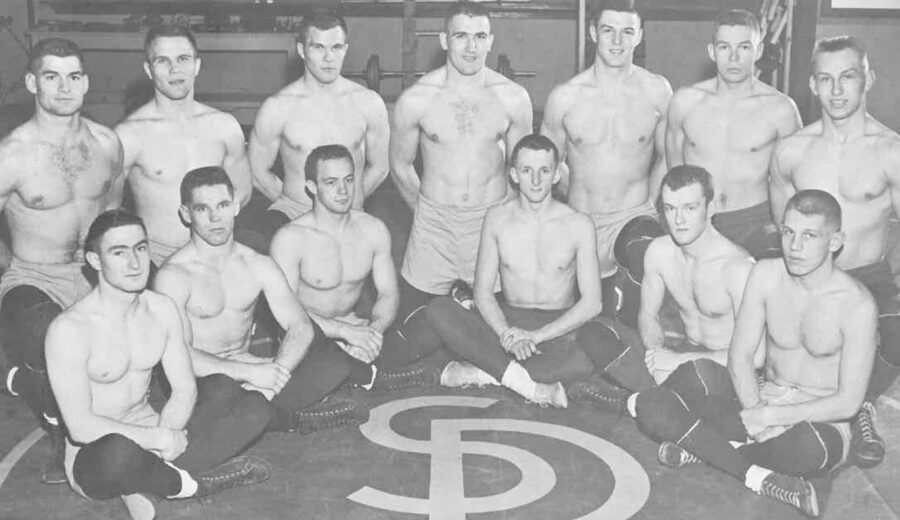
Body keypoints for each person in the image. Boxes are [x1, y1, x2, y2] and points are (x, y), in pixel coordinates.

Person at [630, 190, 876, 518]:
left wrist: (774, 418)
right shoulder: (766, 274)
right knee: (653, 405)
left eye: (810, 235)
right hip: (759, 404)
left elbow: (848, 402)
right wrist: (756, 414)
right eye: (788, 232)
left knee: (809, 449)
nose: (796, 246)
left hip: (817, 421)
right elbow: (740, 356)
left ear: (835, 241)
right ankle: (754, 470)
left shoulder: (857, 305)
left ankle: (705, 450)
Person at [46, 210, 272, 520]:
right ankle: (188, 485)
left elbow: (183, 389)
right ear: (95, 261)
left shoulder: (160, 308)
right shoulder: (69, 329)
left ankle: (151, 481)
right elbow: (81, 426)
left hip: (155, 427)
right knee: (118, 453)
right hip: (97, 453)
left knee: (251, 405)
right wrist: (157, 440)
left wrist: (168, 432)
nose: (135, 263)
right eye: (119, 252)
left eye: (140, 248)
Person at [427, 134, 634, 407]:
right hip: (508, 323)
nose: (535, 180)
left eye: (544, 171)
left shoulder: (579, 224)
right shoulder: (497, 219)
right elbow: (482, 292)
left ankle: (484, 371)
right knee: (439, 309)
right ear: (514, 174)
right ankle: (530, 387)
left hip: (559, 329)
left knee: (589, 357)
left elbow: (593, 303)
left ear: (557, 175)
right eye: (527, 171)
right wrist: (505, 334)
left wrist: (537, 335)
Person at [769, 35, 900, 469]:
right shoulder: (791, 152)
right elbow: (784, 236)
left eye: (848, 77)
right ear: (812, 84)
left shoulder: (891, 152)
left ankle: (857, 403)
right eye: (826, 79)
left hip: (869, 277)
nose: (837, 90)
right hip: (809, 281)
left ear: (869, 79)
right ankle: (818, 401)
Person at [0, 38, 124, 484]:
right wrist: (8, 267)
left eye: (74, 76)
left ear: (86, 82)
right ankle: (62, 435)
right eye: (52, 76)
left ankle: (27, 377)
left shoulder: (108, 144)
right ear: (32, 82)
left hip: (93, 276)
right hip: (33, 275)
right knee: (46, 335)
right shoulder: (11, 154)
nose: (64, 86)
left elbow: (112, 216)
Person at [391, 1, 533, 311]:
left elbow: (522, 169)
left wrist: (503, 216)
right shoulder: (416, 99)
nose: (471, 47)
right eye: (461, 36)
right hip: (433, 227)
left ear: (491, 41)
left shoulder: (513, 98)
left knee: (494, 325)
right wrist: (427, 211)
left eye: (480, 37)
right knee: (416, 324)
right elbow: (400, 167)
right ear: (444, 40)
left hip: (490, 220)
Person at [541, 0, 671, 325]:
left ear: (639, 36)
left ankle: (637, 327)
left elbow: (669, 157)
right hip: (582, 220)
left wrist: (652, 205)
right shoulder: (565, 97)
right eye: (608, 31)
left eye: (627, 32)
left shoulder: (657, 91)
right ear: (592, 33)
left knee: (650, 253)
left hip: (635, 215)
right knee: (580, 320)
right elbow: (546, 167)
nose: (617, 41)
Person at [271, 145, 445, 383]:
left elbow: (388, 294)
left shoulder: (373, 229)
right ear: (312, 187)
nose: (343, 190)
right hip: (310, 336)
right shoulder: (290, 239)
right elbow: (287, 315)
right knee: (320, 359)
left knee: (429, 326)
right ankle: (372, 375)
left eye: (349, 180)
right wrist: (347, 334)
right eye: (331, 182)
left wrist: (373, 333)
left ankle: (360, 373)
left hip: (356, 328)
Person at [248, 10, 390, 252]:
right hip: (294, 214)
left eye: (336, 47)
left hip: (348, 215)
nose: (328, 58)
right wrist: (294, 206)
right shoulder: (278, 107)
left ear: (346, 48)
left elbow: (380, 167)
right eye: (318, 48)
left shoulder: (368, 102)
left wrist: (350, 204)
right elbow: (256, 171)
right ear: (302, 50)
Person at [666, 9, 801, 259]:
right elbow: (673, 173)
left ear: (759, 51)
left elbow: (791, 184)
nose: (734, 57)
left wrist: (791, 236)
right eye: (725, 47)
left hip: (756, 222)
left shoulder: (781, 109)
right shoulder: (685, 103)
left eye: (744, 47)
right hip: (698, 220)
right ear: (712, 51)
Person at [116, 25, 252, 266]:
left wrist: (213, 232)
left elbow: (242, 192)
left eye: (183, 59)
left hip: (217, 254)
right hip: (157, 259)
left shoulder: (224, 126)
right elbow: (108, 210)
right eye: (162, 61)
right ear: (149, 69)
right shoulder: (129, 135)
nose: (174, 69)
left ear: (197, 65)